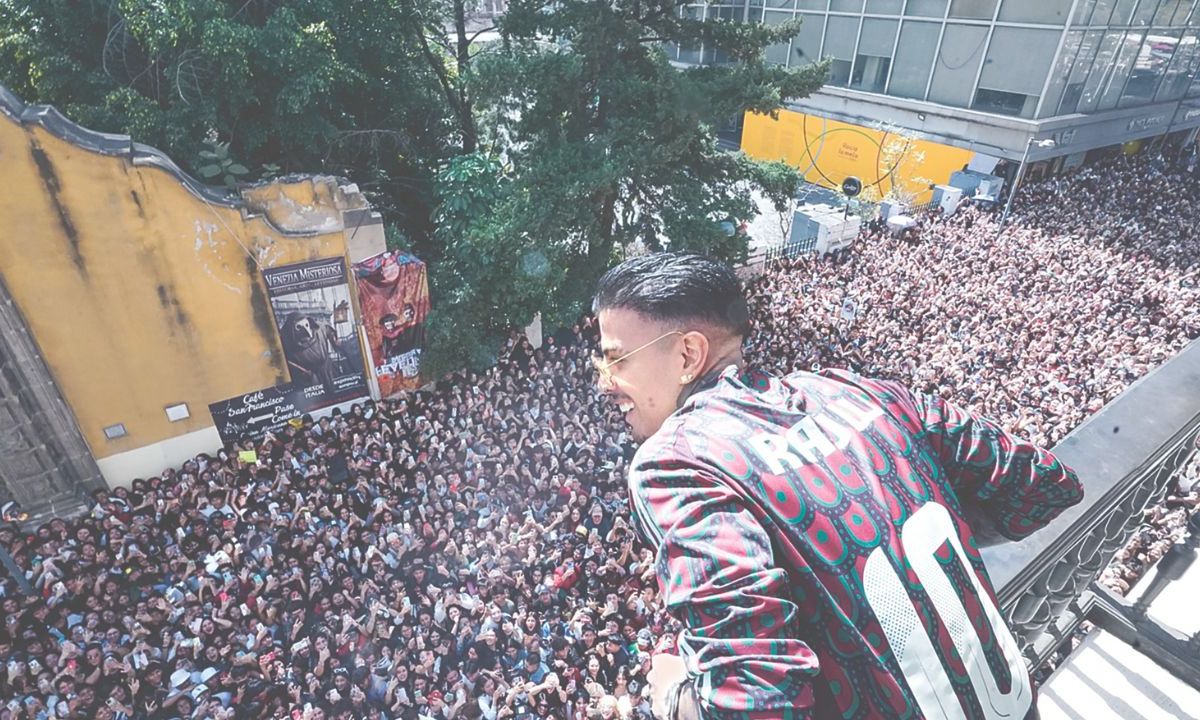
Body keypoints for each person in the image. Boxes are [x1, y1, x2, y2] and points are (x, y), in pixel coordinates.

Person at [591, 253, 1085, 720]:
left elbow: (760, 703)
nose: (603, 382)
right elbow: (1041, 485)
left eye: (617, 359)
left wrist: (675, 694)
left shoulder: (678, 461)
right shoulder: (866, 392)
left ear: (688, 354)